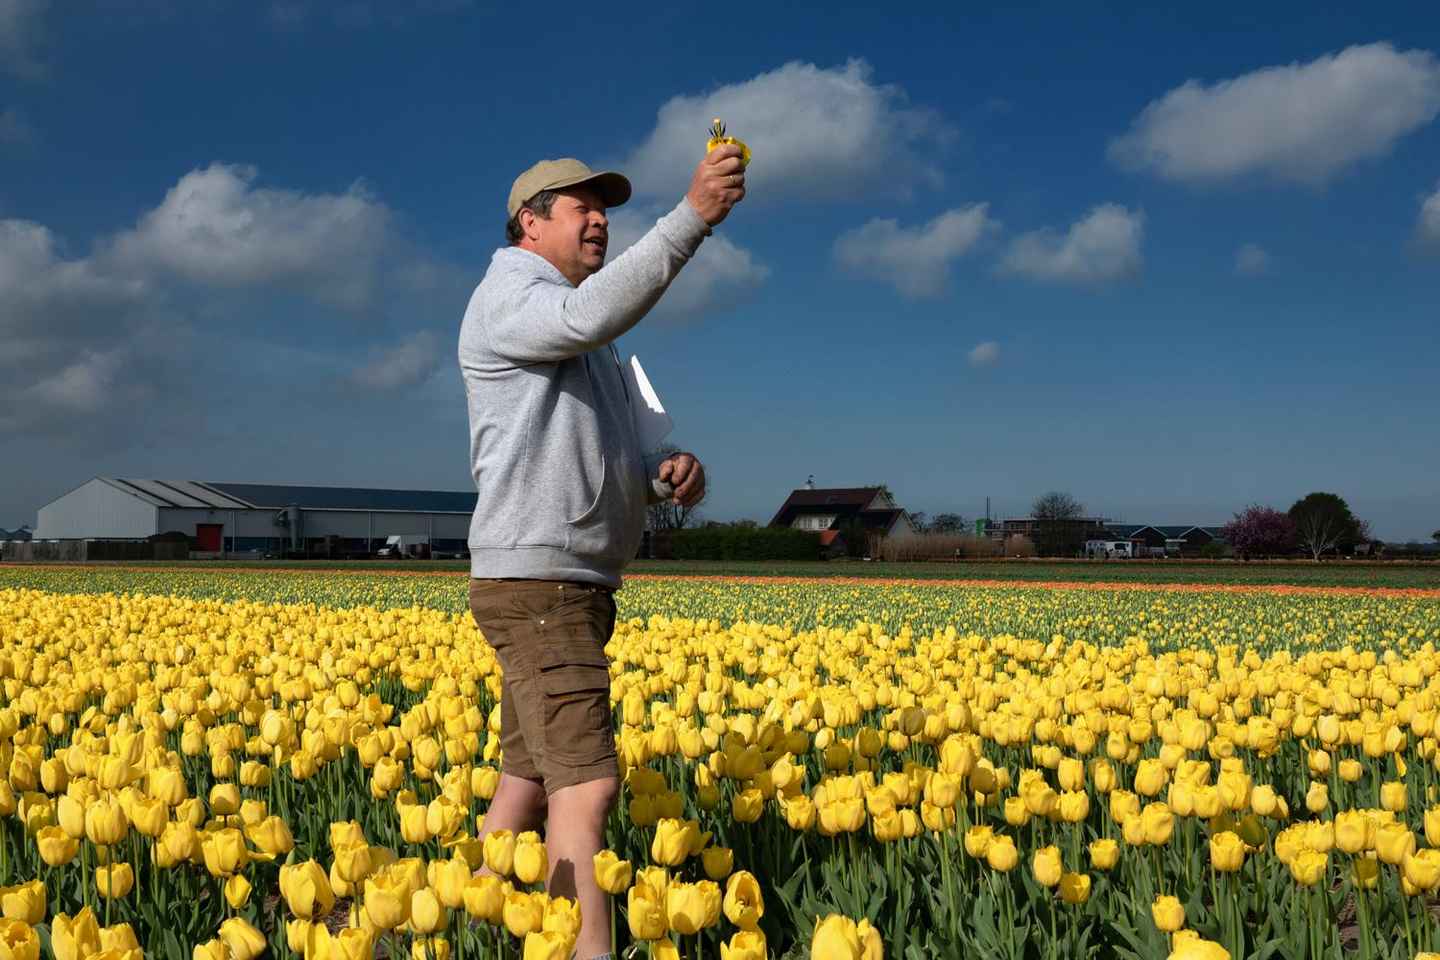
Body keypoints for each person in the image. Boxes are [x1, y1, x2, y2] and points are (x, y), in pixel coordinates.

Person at [459, 143, 747, 959]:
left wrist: (669, 472)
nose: (600, 219)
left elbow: (635, 440)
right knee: (585, 787)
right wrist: (692, 219)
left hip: (567, 580)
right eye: (579, 206)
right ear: (529, 223)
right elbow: (590, 315)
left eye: (605, 207)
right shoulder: (513, 296)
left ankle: (467, 920)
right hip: (541, 584)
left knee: (524, 778)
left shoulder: (592, 335)